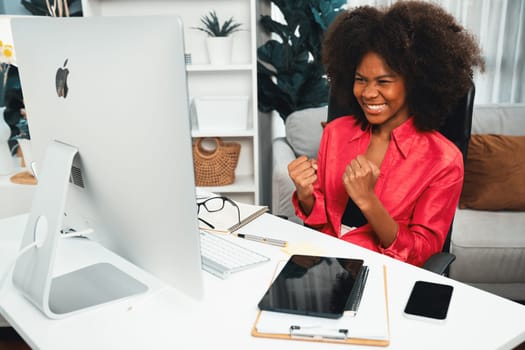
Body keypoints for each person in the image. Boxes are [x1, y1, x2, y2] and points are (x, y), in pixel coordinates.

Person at [287, 1, 484, 267]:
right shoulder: (336, 133)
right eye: (360, 79)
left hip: (386, 273)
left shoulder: (444, 160)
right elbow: (323, 221)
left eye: (383, 81)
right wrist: (306, 194)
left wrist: (369, 201)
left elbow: (422, 254)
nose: (368, 93)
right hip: (325, 266)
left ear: (414, 82)